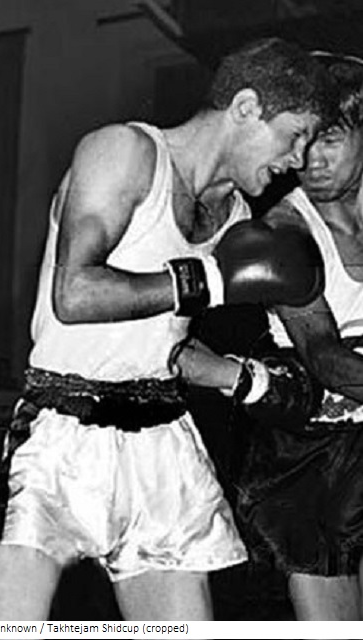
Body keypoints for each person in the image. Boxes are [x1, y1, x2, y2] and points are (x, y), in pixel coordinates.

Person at [0, 37, 336, 621]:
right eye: (295, 135)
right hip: (63, 428)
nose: (297, 160)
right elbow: (75, 294)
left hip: (161, 438)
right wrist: (208, 282)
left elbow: (158, 343)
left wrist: (249, 379)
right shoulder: (124, 151)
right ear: (246, 107)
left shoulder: (236, 217)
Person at [236, 52, 363, 621]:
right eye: (303, 141)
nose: (311, 160)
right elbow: (323, 355)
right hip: (310, 461)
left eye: (329, 139)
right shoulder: (282, 234)